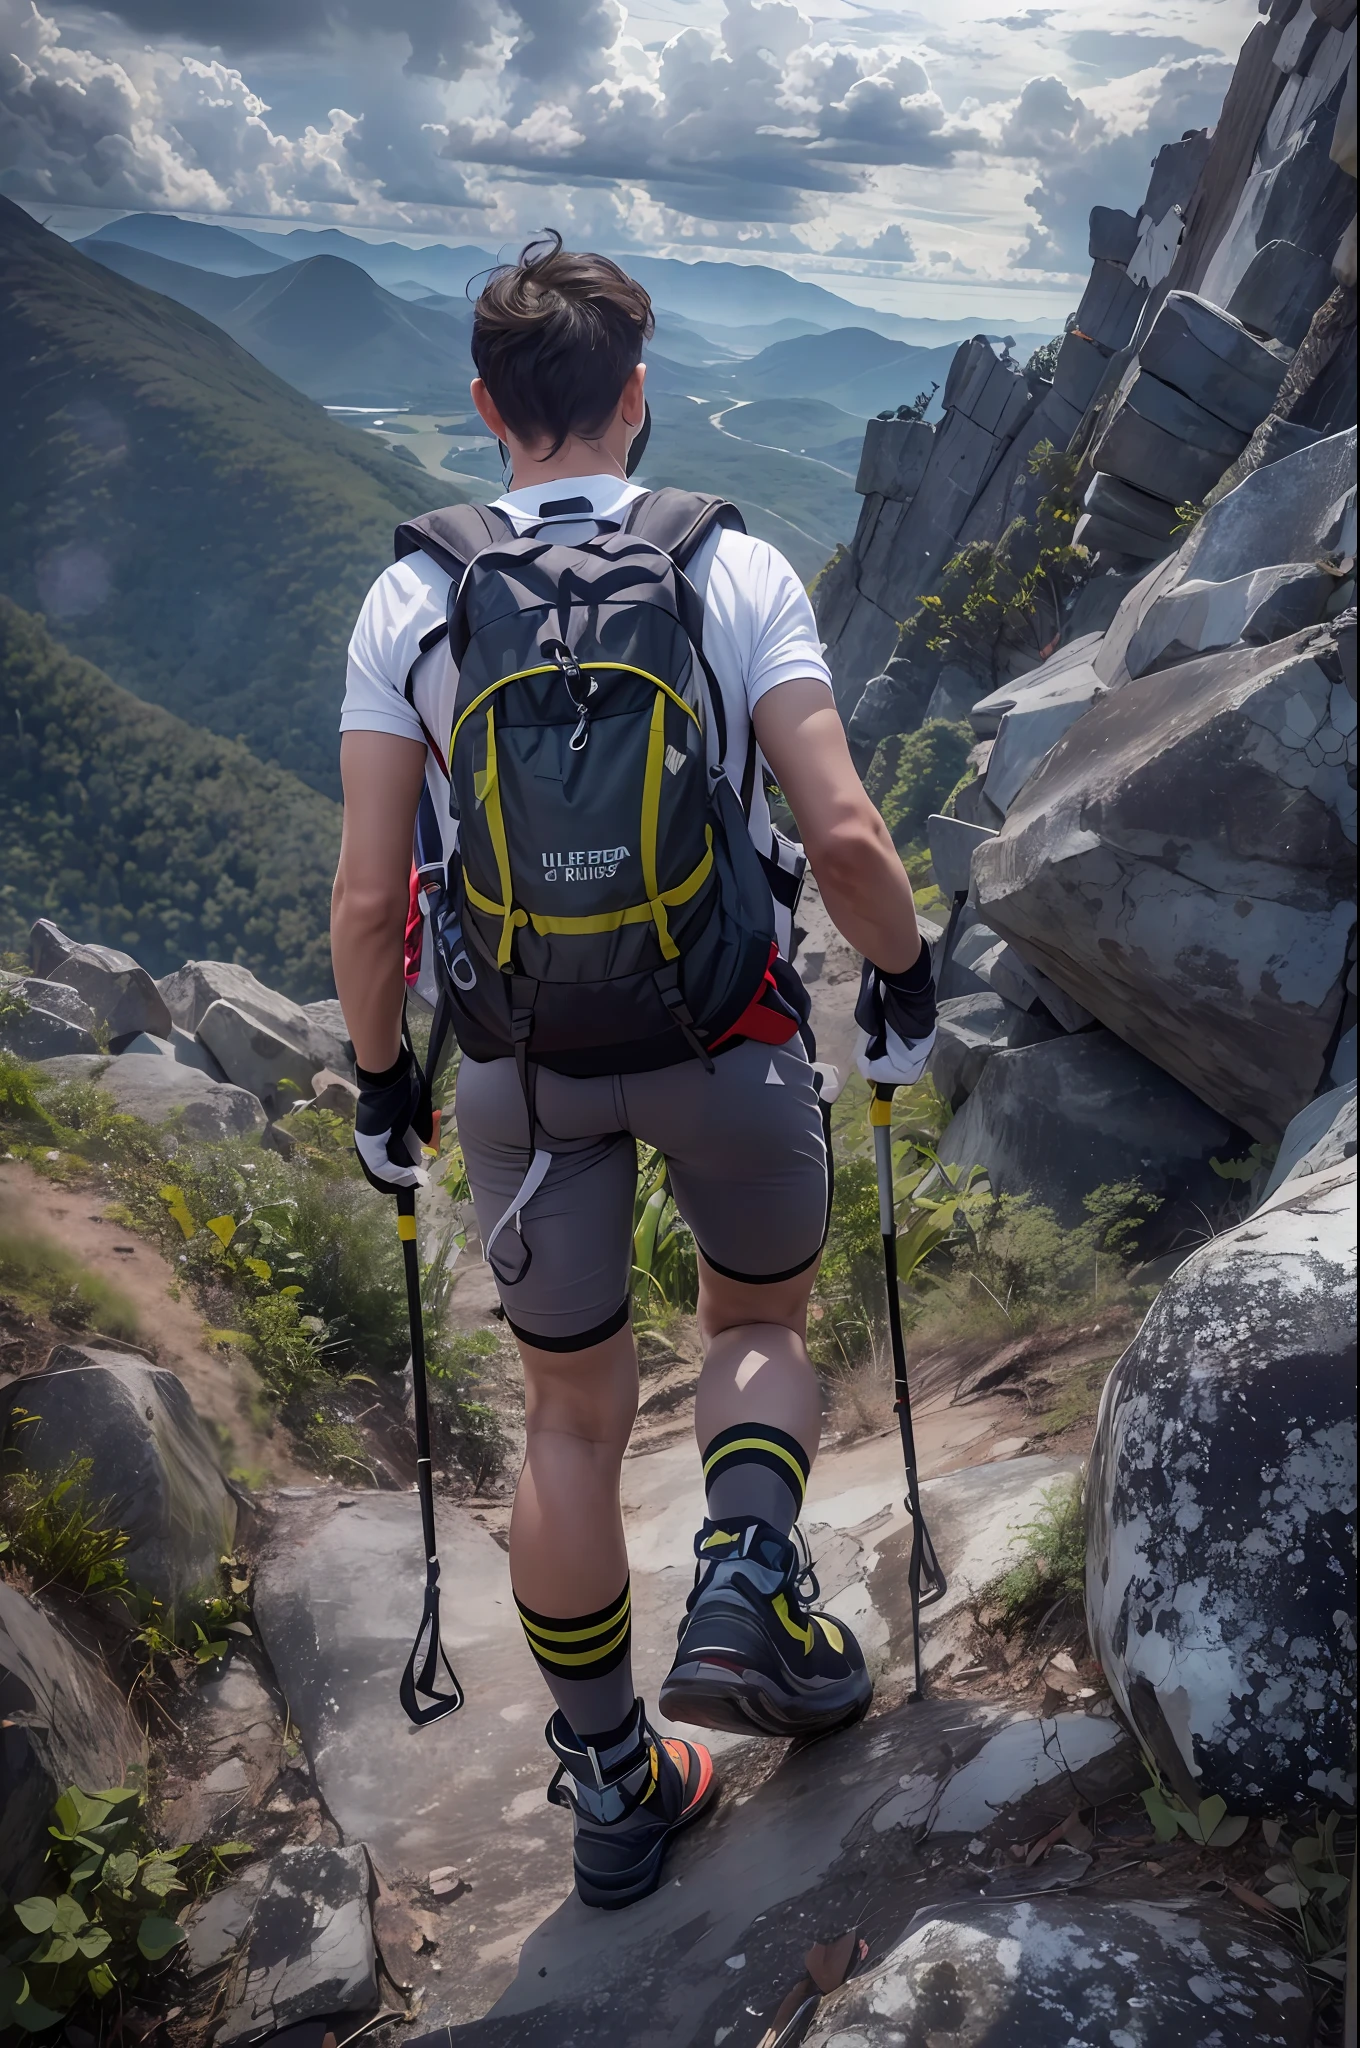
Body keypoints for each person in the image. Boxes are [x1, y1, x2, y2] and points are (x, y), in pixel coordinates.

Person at [331, 233, 937, 1911]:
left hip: (522, 1074)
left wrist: (384, 1090)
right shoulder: (729, 575)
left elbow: (371, 897)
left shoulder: (415, 596)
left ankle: (614, 1785)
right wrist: (903, 983)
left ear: (483, 409)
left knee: (569, 1420)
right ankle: (749, 1578)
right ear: (640, 397)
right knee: (753, 1328)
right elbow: (844, 833)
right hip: (728, 1036)